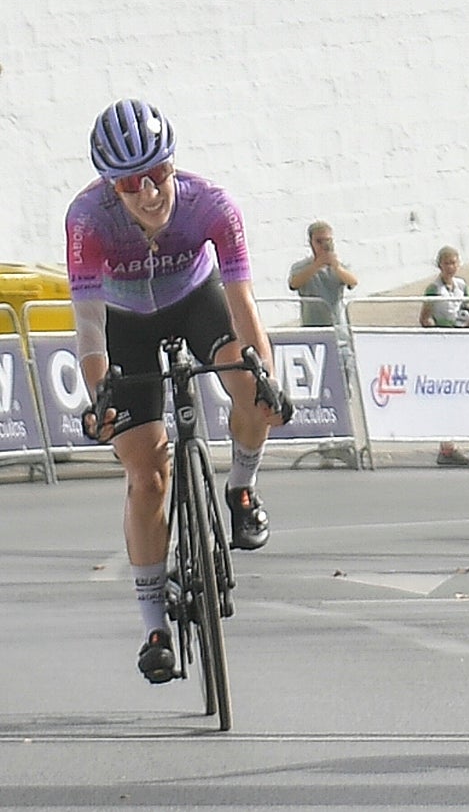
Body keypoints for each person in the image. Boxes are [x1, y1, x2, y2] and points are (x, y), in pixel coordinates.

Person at [66, 99, 291, 684]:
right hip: (125, 321)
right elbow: (88, 324)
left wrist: (264, 377)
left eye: (158, 173)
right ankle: (153, 627)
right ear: (111, 187)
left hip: (196, 300)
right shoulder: (87, 220)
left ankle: (241, 489)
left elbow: (243, 306)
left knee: (251, 389)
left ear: (173, 164)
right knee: (148, 475)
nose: (148, 192)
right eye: (130, 184)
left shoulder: (212, 205)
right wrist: (100, 396)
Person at [420, 245, 469, 466]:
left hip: (459, 341)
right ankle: (446, 447)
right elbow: (425, 317)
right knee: (445, 392)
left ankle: (452, 443)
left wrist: (467, 322)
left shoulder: (462, 285)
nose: (451, 267)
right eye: (447, 263)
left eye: (454, 262)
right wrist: (439, 332)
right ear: (440, 265)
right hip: (441, 343)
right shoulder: (433, 288)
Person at [288, 220, 358, 333]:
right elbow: (294, 284)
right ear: (311, 242)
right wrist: (316, 265)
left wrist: (336, 267)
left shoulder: (341, 264)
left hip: (337, 326)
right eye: (319, 241)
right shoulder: (300, 266)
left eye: (327, 241)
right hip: (311, 326)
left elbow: (353, 282)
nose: (323, 245)